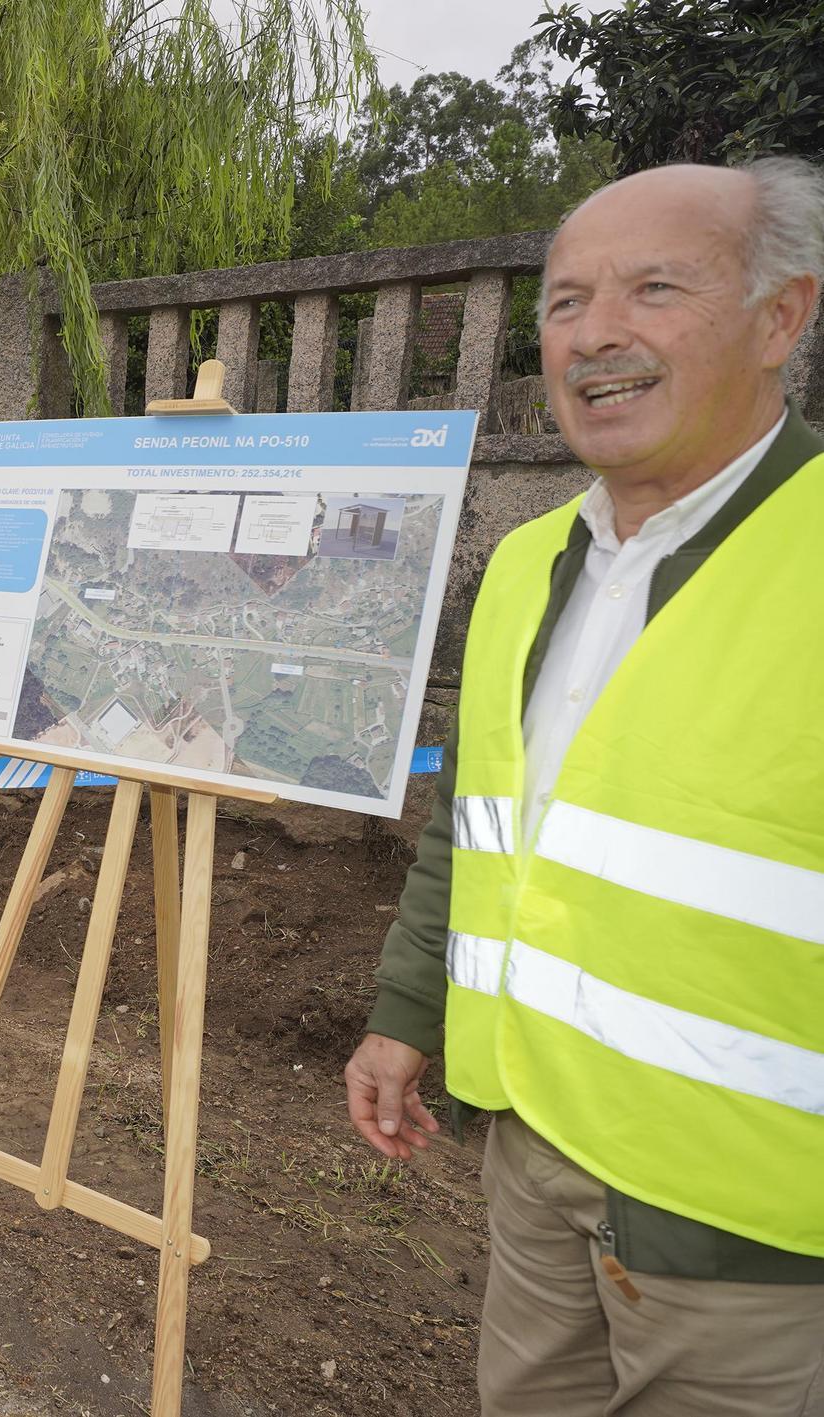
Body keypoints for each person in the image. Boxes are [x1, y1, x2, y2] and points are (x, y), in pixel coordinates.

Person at [342, 158, 824, 1415]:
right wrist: (408, 1010)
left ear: (781, 318)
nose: (595, 334)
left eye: (654, 288)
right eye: (562, 303)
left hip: (754, 1230)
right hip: (536, 1154)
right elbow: (477, 822)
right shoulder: (525, 562)